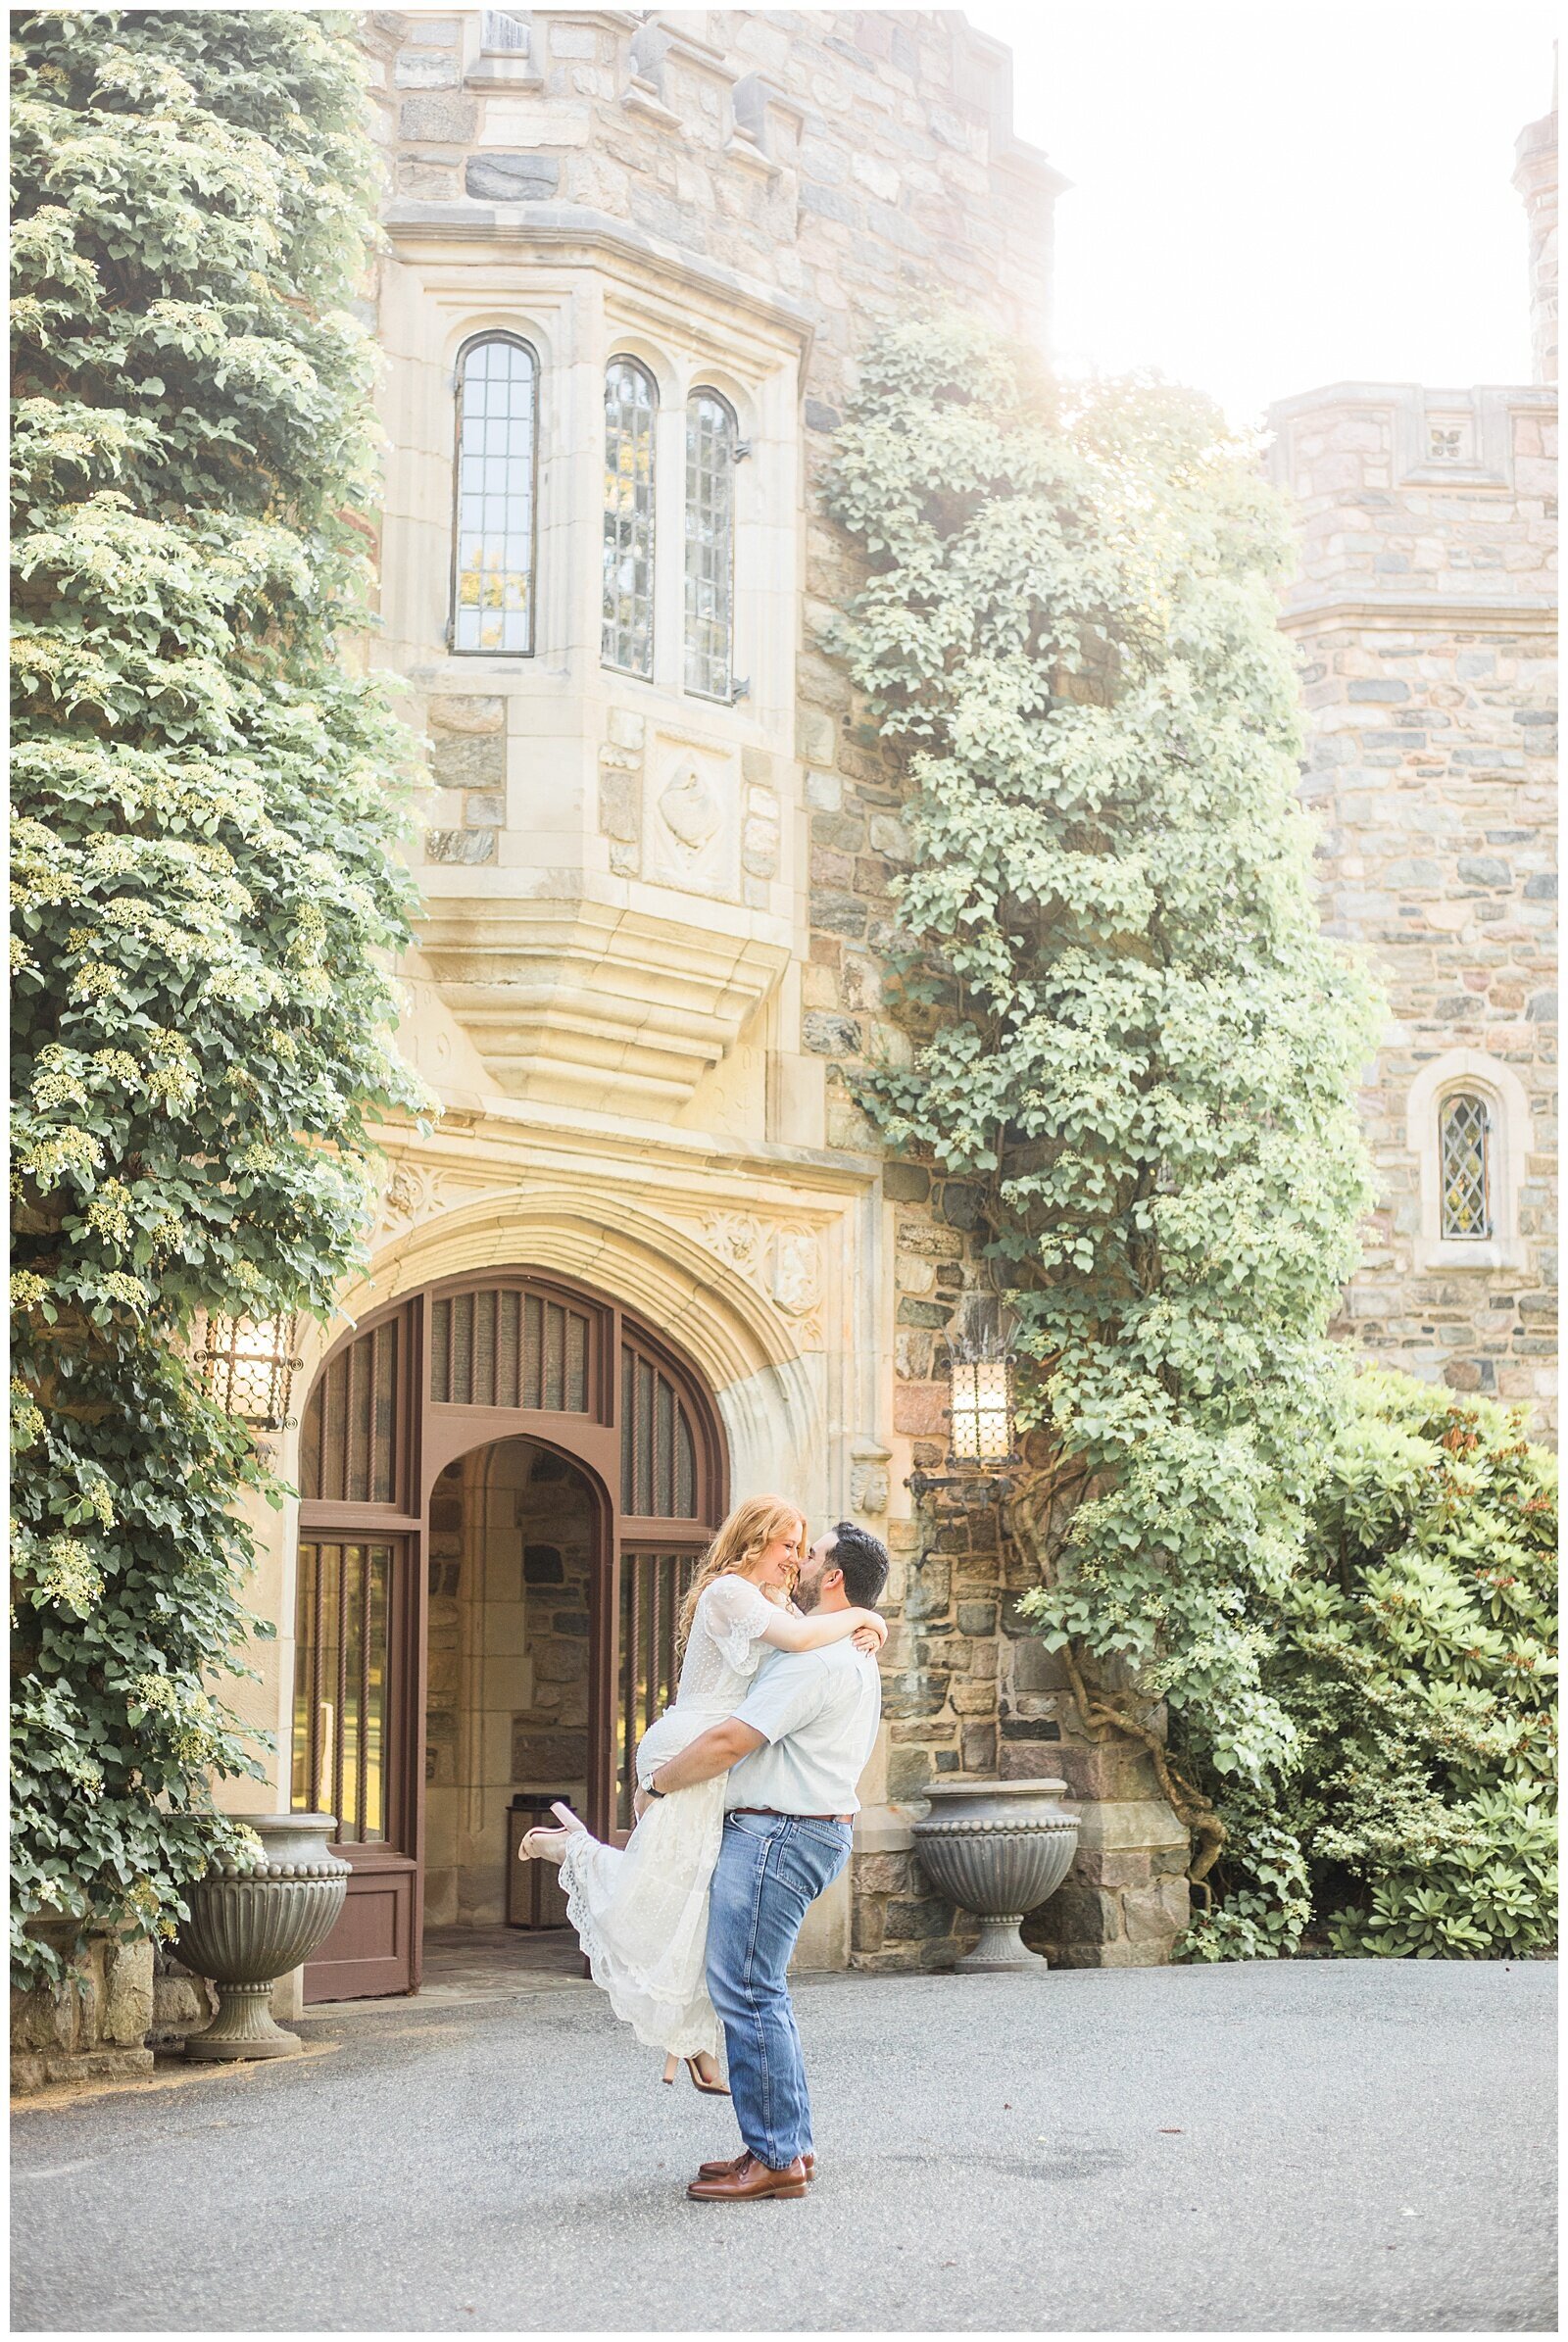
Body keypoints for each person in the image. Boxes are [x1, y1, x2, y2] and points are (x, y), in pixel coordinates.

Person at [516, 1496, 886, 2096]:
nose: (795, 1559)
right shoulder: (728, 1593)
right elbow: (798, 1639)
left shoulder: (770, 1599)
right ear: (753, 1540)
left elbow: (807, 1631)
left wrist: (871, 1624)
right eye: (786, 1545)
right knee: (664, 1892)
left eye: (802, 1548)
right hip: (691, 1747)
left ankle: (689, 2042)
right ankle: (575, 1853)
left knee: (698, 1901)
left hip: (718, 1756)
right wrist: (865, 1618)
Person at [646, 1519, 891, 2204]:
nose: (798, 1564)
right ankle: (784, 2145)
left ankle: (778, 2157)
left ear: (834, 1577)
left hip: (780, 1835)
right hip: (800, 1830)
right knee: (762, 1993)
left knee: (747, 1992)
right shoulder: (842, 1644)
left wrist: (655, 1785)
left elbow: (730, 1740)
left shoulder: (819, 1657)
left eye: (810, 1556)